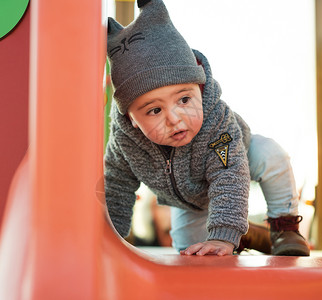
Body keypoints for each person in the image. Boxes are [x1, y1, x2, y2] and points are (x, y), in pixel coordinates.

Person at [104, 0, 310, 256]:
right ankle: (244, 236)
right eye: (155, 110)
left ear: (200, 89)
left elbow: (229, 175)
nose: (175, 118)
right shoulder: (125, 142)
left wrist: (223, 234)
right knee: (191, 252)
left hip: (238, 160)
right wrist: (109, 241)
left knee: (271, 155)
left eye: (184, 100)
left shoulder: (216, 121)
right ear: (132, 118)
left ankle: (284, 229)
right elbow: (116, 187)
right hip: (190, 202)